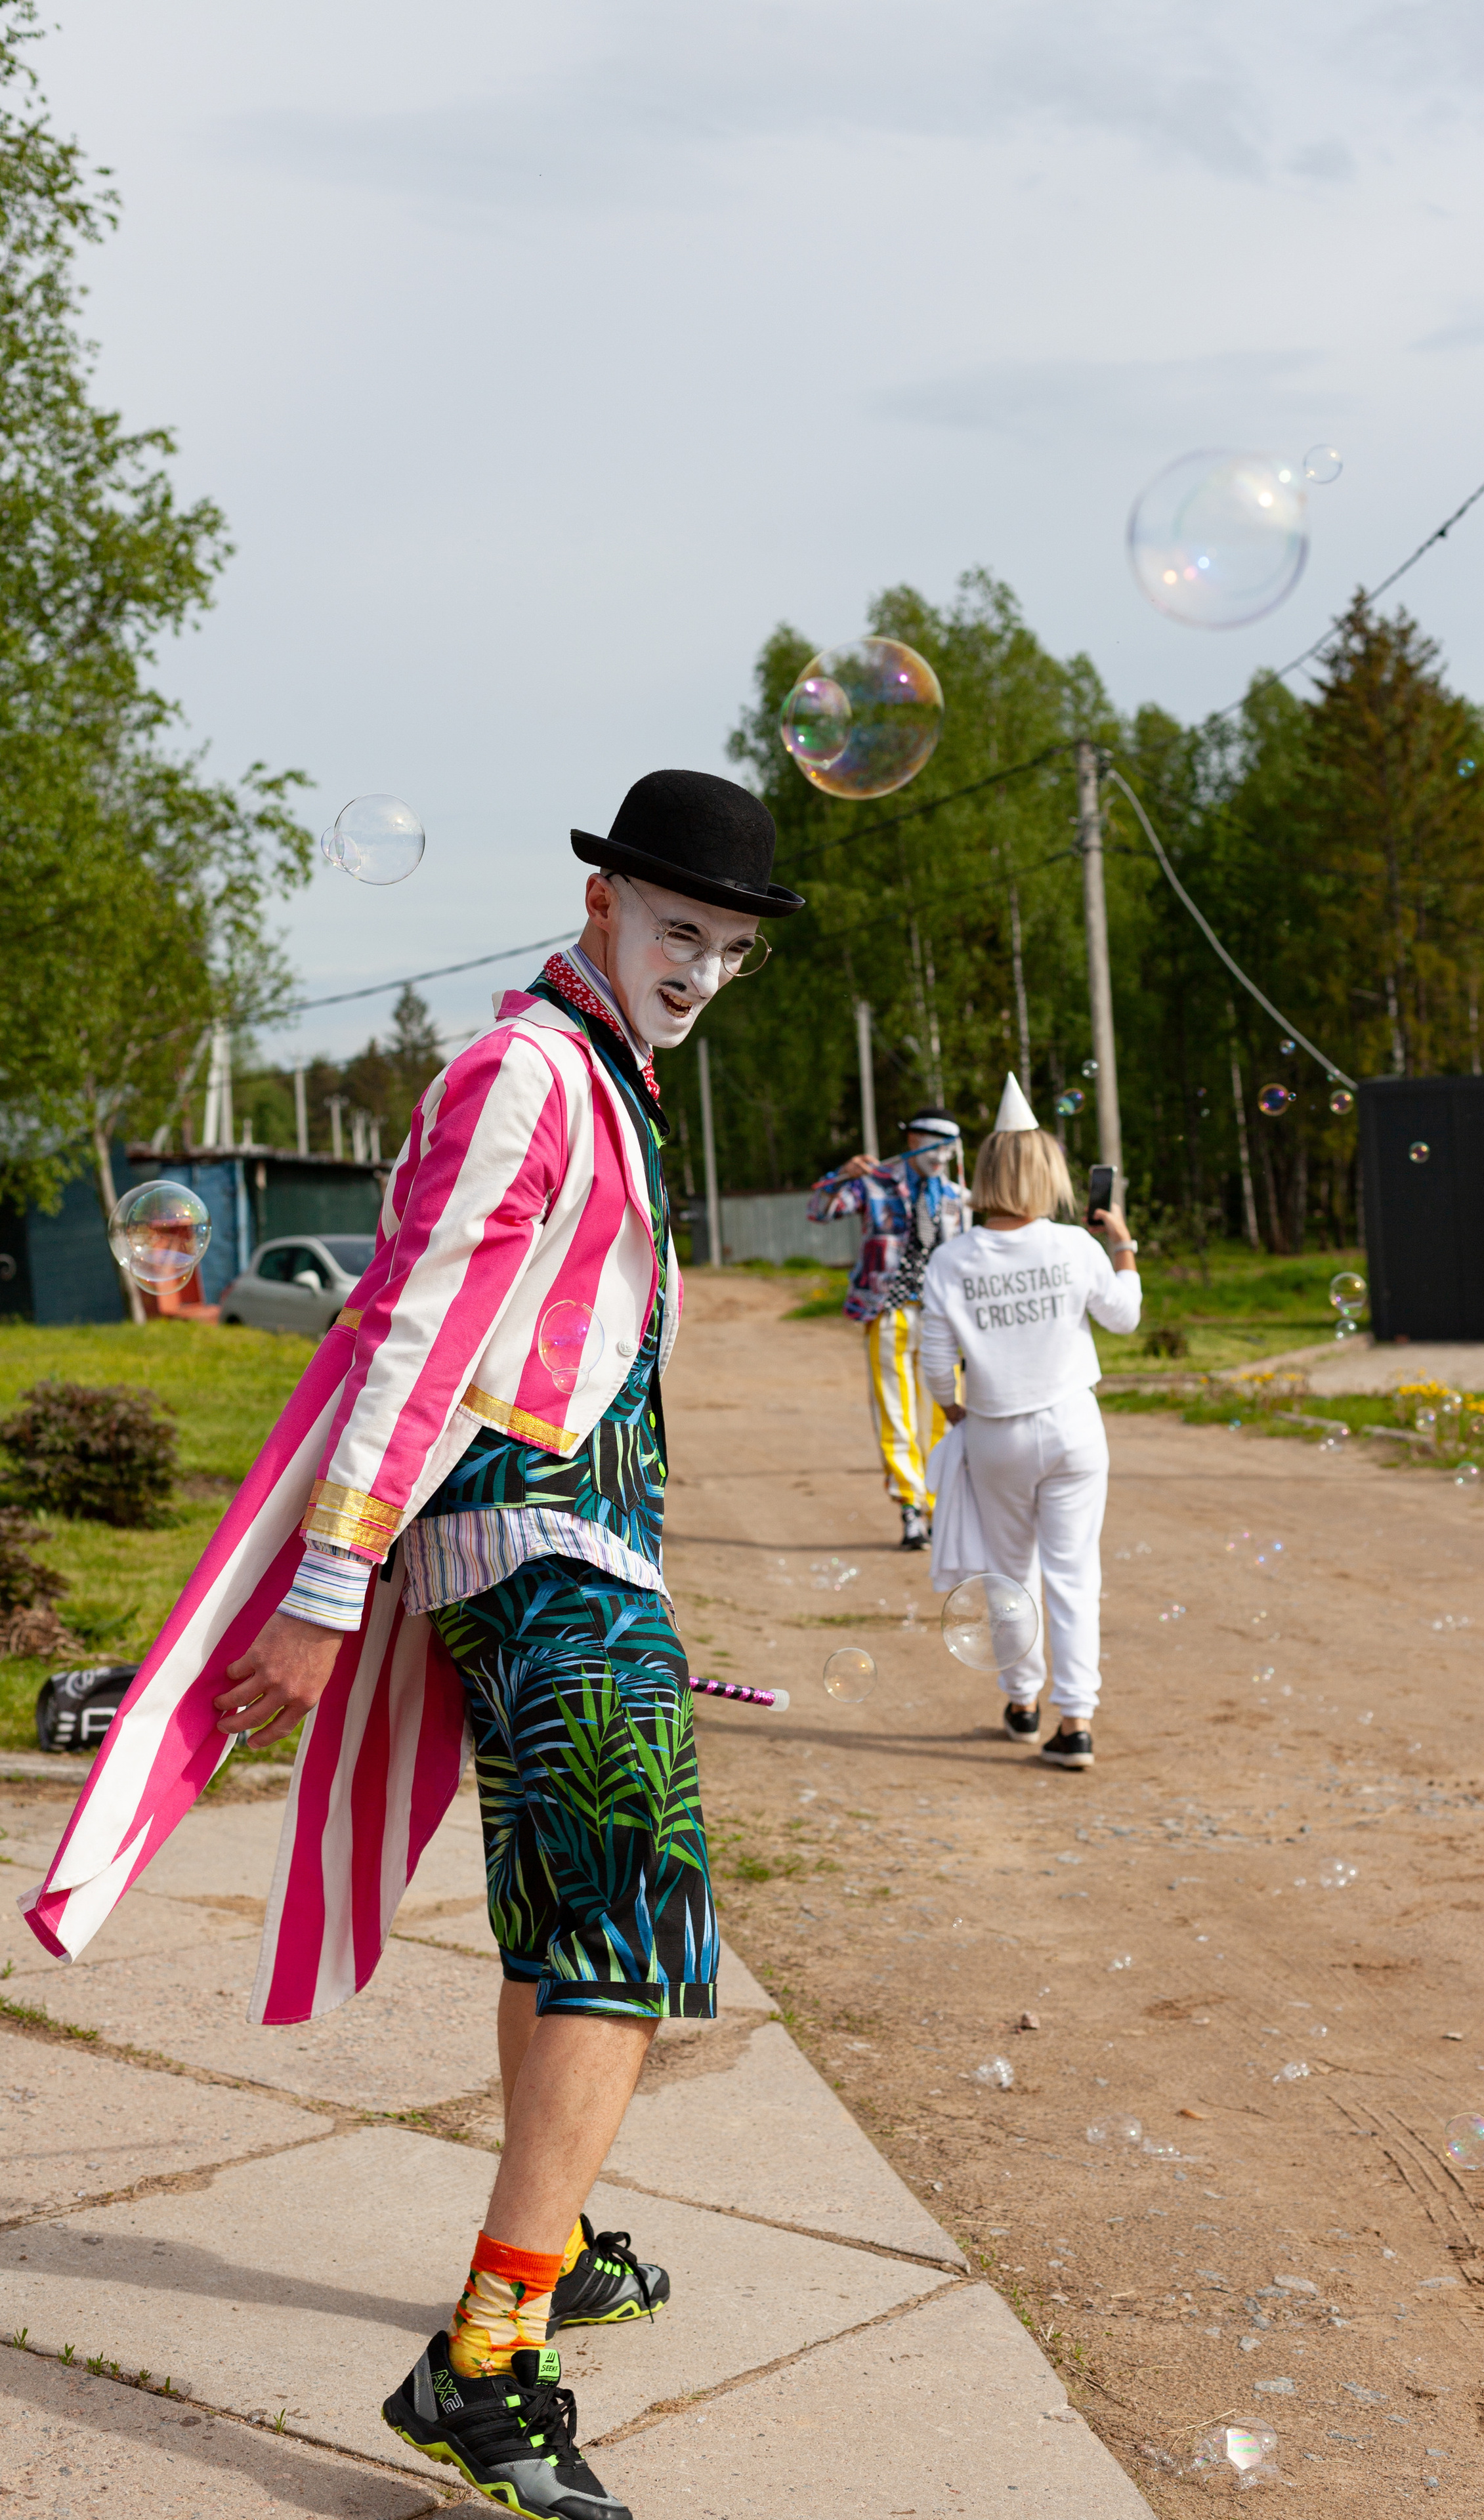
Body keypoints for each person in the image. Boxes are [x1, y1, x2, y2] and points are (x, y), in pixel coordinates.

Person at [22, 768, 801, 2520]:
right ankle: (487, 2365)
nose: (701, 970)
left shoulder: (610, 1070)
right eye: (680, 929)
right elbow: (415, 1334)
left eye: (732, 949)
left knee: (559, 1917)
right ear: (603, 904)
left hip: (569, 1549)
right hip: (540, 1547)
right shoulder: (527, 1070)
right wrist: (318, 1591)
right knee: (628, 1932)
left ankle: (553, 2231)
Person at [918, 1072, 1140, 1771]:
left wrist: (957, 1408)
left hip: (996, 1433)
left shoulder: (952, 1260)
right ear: (1049, 1173)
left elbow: (932, 1360)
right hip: (1074, 1424)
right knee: (1076, 1575)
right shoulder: (1077, 1246)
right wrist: (1123, 1246)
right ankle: (1076, 1722)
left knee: (1010, 1573)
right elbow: (1124, 1316)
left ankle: (1022, 1705)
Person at [807, 1106, 967, 1547]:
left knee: (945, 1410)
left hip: (943, 1319)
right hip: (889, 1309)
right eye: (933, 1147)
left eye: (948, 1150)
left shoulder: (956, 1196)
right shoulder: (874, 1184)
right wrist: (843, 1173)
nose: (940, 1159)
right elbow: (819, 1209)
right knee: (894, 1411)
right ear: (912, 1142)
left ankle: (940, 1503)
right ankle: (910, 1506)